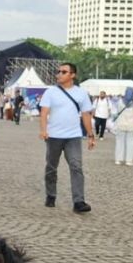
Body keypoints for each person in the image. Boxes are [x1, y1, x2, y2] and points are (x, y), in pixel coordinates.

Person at [38, 61, 95, 212]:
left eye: (63, 72)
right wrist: (43, 130)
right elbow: (44, 113)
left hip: (73, 136)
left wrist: (90, 135)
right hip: (53, 136)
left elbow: (86, 115)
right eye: (58, 72)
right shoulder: (50, 92)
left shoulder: (81, 93)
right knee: (51, 167)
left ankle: (79, 201)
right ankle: (51, 195)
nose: (59, 74)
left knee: (76, 166)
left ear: (73, 75)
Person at [113, 87, 133, 166]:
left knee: (119, 142)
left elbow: (117, 111)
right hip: (132, 125)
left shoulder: (120, 101)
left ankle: (118, 159)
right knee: (131, 143)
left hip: (121, 123)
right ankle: (129, 160)